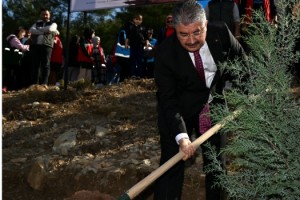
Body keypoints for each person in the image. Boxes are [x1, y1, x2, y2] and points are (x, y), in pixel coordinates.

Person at [153, 1, 245, 200]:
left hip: (210, 106)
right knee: (171, 164)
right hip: (179, 109)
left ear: (206, 24)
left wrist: (250, 93)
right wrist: (182, 137)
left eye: (197, 32)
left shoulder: (221, 32)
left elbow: (241, 62)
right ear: (174, 29)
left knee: (216, 163)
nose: (192, 40)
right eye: (183, 34)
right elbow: (168, 99)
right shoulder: (164, 54)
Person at [29, 8, 58, 86]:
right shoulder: (36, 23)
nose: (45, 16)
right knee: (35, 65)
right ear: (40, 15)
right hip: (36, 46)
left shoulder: (53, 24)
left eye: (46, 14)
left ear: (49, 15)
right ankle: (34, 85)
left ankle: (44, 84)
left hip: (47, 46)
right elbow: (31, 30)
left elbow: (50, 29)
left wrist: (39, 30)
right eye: (43, 14)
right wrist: (45, 31)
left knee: (45, 65)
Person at [3, 27, 30, 91]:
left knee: (9, 73)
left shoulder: (11, 37)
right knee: (10, 74)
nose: (23, 37)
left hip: (9, 59)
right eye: (23, 35)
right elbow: (20, 47)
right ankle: (7, 87)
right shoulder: (13, 38)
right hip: (11, 59)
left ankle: (7, 87)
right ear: (19, 33)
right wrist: (28, 46)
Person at [124, 14, 149, 79]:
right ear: (134, 20)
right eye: (136, 19)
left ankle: (139, 75)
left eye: (139, 20)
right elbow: (127, 37)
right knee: (132, 60)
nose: (138, 21)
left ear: (141, 21)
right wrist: (126, 44)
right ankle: (133, 75)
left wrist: (146, 46)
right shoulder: (130, 27)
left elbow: (146, 38)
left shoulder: (143, 28)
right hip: (132, 46)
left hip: (140, 46)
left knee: (140, 61)